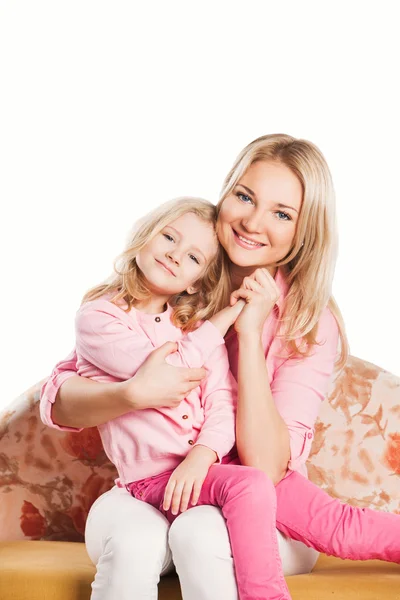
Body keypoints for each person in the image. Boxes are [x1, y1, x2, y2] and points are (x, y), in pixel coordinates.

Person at [40, 134, 400, 600]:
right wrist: (130, 394)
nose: (252, 221)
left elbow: (266, 468)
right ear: (226, 192)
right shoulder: (173, 277)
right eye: (245, 197)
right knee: (146, 537)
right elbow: (66, 390)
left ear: (303, 231)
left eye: (282, 213)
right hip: (161, 484)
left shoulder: (308, 320)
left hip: (251, 489)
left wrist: (248, 336)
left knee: (217, 531)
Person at [44, 195, 297, 600]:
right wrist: (226, 319)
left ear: (195, 282)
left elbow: (222, 404)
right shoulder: (98, 316)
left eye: (194, 258)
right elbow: (160, 373)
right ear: (144, 237)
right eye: (168, 238)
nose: (176, 256)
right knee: (137, 540)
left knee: (261, 502)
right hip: (142, 483)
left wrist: (203, 453)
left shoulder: (190, 329)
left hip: (193, 477)